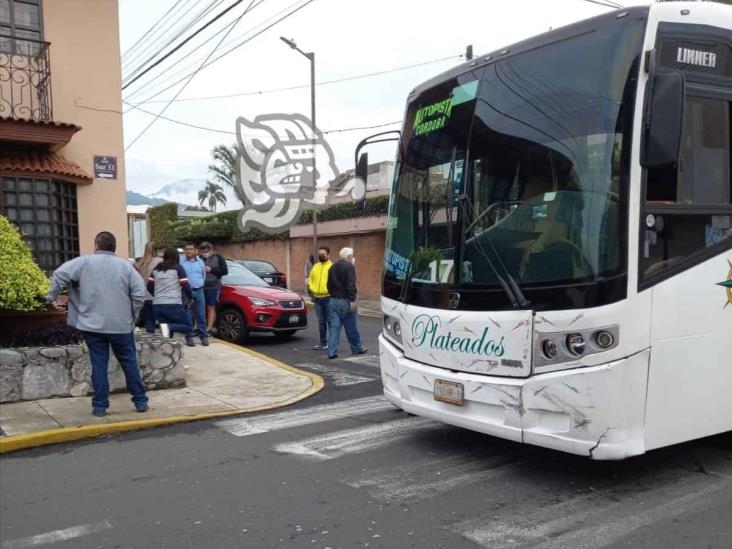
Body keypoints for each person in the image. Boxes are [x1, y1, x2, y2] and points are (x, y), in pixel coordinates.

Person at [47, 231, 148, 417]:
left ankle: (100, 406)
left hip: (92, 326)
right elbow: (139, 294)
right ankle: (140, 401)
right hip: (121, 326)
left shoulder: (83, 263)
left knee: (99, 365)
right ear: (114, 247)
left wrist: (52, 297)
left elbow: (59, 274)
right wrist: (133, 315)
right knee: (130, 363)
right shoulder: (126, 267)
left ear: (96, 246)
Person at [326, 247, 367, 359]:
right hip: (346, 300)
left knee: (334, 327)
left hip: (334, 300)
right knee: (351, 326)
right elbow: (351, 285)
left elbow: (328, 285)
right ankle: (356, 348)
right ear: (349, 257)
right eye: (352, 256)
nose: (353, 258)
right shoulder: (349, 267)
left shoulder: (332, 267)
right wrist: (352, 300)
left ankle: (331, 351)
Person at [148, 247, 194, 346]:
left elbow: (149, 285)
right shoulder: (178, 268)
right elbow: (185, 285)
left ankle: (167, 351)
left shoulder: (156, 269)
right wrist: (191, 297)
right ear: (176, 257)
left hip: (157, 304)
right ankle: (168, 327)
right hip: (173, 304)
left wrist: (156, 295)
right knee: (188, 326)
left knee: (167, 335)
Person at [180, 242, 209, 346]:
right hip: (186, 292)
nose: (189, 251)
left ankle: (204, 337)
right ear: (184, 251)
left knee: (201, 315)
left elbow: (203, 276)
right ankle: (189, 337)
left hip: (199, 291)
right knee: (188, 316)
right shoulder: (181, 262)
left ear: (195, 250)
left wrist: (199, 285)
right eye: (187, 249)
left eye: (191, 249)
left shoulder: (200, 262)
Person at [198, 241, 228, 333]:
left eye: (205, 249)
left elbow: (224, 271)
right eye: (202, 249)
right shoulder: (199, 258)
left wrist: (212, 269)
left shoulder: (218, 257)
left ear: (211, 249)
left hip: (213, 287)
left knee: (210, 307)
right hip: (201, 287)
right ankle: (197, 327)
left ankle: (209, 328)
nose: (204, 252)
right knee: (199, 308)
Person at [135, 242, 164, 334]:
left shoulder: (140, 263)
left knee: (149, 321)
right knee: (163, 322)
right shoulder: (160, 261)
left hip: (145, 295)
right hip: (157, 294)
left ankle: (150, 341)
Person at [308, 246, 332, 350]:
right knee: (321, 321)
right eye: (319, 254)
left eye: (323, 254)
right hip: (317, 298)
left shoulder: (332, 266)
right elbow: (310, 279)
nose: (321, 256)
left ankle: (332, 343)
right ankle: (322, 343)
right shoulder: (315, 266)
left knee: (330, 321)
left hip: (328, 298)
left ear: (328, 255)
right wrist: (312, 289)